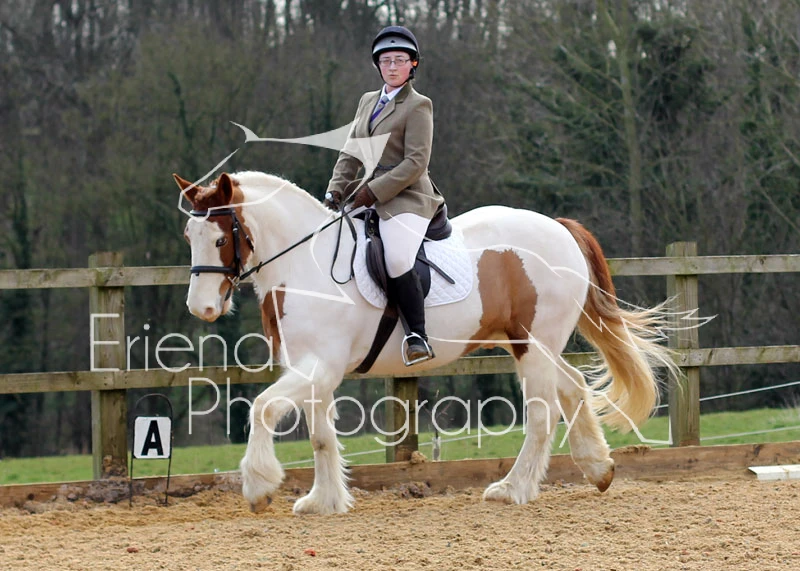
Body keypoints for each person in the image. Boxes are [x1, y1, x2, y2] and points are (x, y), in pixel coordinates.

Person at [324, 25, 445, 366]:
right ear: (378, 65)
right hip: (365, 194)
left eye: (400, 60)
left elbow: (416, 163)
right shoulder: (367, 100)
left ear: (413, 65)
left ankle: (417, 336)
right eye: (386, 60)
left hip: (408, 197)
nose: (392, 67)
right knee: (332, 240)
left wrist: (373, 191)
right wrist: (335, 190)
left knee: (396, 258)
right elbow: (351, 151)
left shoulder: (419, 105)